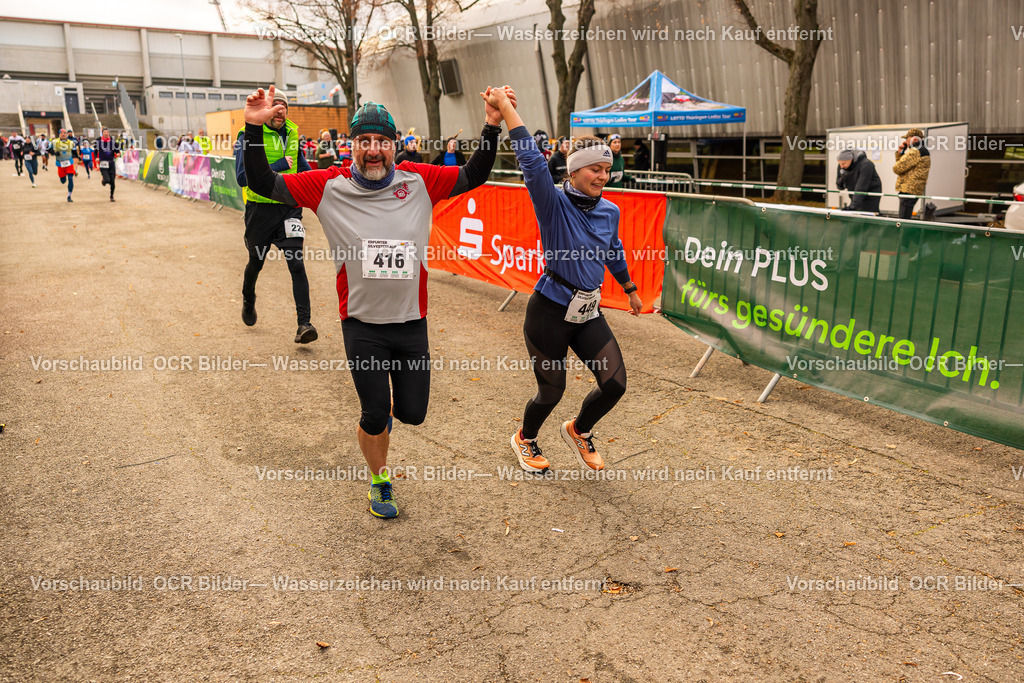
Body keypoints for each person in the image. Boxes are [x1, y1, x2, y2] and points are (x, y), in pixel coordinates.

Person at [241, 84, 509, 518]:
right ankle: (379, 479)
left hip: (410, 323)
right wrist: (253, 130)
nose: (372, 150)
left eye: (381, 141)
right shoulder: (327, 185)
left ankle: (385, 428)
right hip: (362, 325)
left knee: (413, 414)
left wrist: (492, 124)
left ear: (393, 146)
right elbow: (262, 182)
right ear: (352, 146)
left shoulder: (419, 179)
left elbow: (473, 175)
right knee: (374, 411)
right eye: (363, 141)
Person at [492, 90, 643, 474]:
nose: (602, 177)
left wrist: (629, 290)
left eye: (607, 170)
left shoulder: (610, 209)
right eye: (595, 169)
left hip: (588, 310)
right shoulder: (553, 203)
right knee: (552, 390)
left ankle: (579, 430)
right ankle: (524, 439)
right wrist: (509, 109)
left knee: (615, 384)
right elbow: (530, 160)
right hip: (549, 310)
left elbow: (613, 249)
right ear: (573, 171)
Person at [234, 91, 317, 345]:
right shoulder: (247, 135)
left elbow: (304, 170)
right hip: (259, 211)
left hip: (288, 210)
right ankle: (249, 300)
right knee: (256, 263)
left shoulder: (293, 134)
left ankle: (304, 324)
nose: (280, 112)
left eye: (284, 108)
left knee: (297, 264)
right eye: (276, 107)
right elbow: (241, 178)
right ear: (268, 109)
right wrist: (280, 164)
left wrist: (327, 185)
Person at [893, 128, 931, 219]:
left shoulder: (915, 151)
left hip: (908, 190)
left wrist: (902, 152)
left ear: (915, 139)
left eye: (907, 138)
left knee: (903, 220)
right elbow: (902, 166)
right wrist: (900, 152)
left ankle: (903, 233)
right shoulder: (922, 150)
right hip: (913, 190)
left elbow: (897, 168)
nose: (906, 141)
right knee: (906, 217)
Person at [835, 149, 882, 213]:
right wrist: (843, 178)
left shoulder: (866, 165)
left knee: (867, 216)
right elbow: (839, 187)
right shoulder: (842, 167)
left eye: (844, 163)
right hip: (855, 196)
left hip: (870, 196)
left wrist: (853, 207)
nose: (841, 166)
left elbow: (861, 186)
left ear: (851, 159)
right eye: (839, 164)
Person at [51, 129, 78, 202]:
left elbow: (74, 151)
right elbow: (49, 150)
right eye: (61, 133)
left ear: (67, 134)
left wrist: (77, 157)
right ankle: (62, 178)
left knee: (70, 178)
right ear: (59, 134)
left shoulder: (71, 142)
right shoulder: (55, 142)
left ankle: (69, 195)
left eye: (64, 133)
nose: (63, 134)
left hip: (69, 162)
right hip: (60, 163)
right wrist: (54, 153)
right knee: (63, 181)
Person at [96, 128, 120, 202]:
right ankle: (104, 180)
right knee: (107, 180)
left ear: (109, 133)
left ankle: (111, 196)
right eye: (104, 132)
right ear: (102, 134)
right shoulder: (99, 142)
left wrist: (118, 153)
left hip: (111, 162)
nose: (106, 133)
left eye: (107, 132)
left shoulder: (113, 142)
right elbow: (95, 151)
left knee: (112, 181)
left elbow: (117, 150)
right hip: (103, 163)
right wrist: (96, 157)